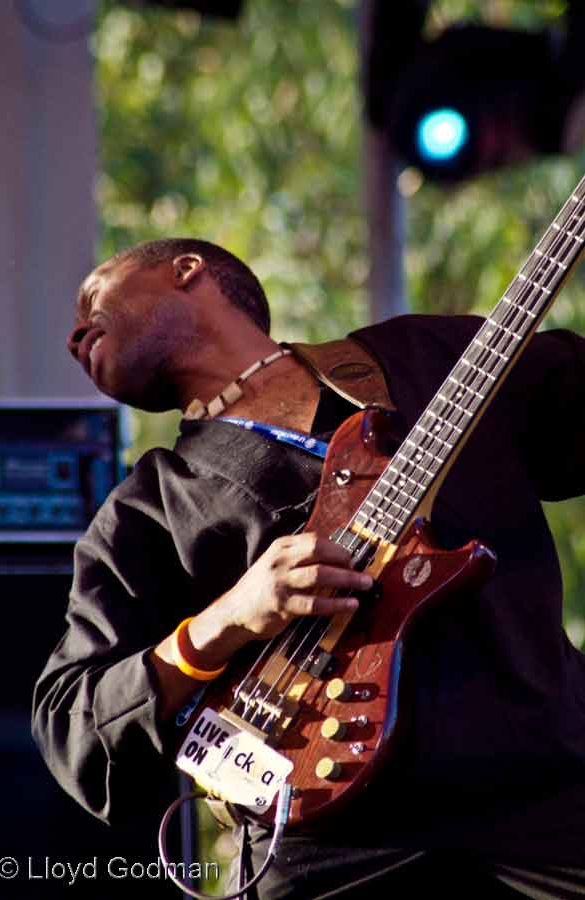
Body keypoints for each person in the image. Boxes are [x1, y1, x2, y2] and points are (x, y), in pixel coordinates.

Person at [33, 237, 585, 899]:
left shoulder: (427, 357)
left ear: (185, 271)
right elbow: (74, 724)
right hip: (324, 846)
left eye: (92, 297)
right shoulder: (146, 508)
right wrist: (227, 621)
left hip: (545, 791)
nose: (72, 334)